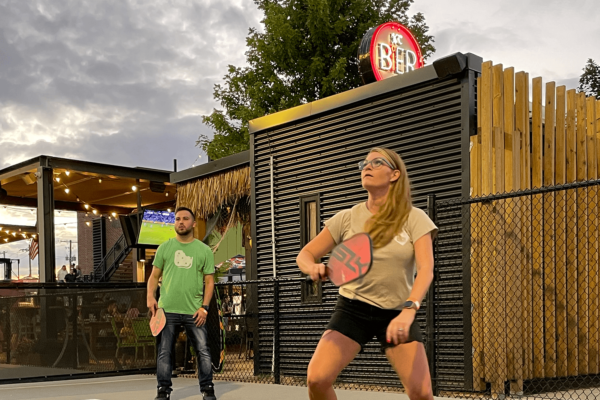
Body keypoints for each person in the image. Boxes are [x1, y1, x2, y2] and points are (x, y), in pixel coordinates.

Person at [296, 147, 438, 400]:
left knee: (422, 393)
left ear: (395, 174)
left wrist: (409, 311)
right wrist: (312, 267)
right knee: (317, 380)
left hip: (397, 311)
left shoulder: (414, 217)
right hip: (353, 309)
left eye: (376, 162)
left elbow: (426, 269)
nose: (366, 167)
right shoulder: (347, 218)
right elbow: (304, 255)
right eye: (364, 163)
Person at [147, 207, 217, 400]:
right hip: (166, 309)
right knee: (164, 352)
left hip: (194, 311)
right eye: (177, 219)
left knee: (203, 351)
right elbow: (153, 277)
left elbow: (210, 281)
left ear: (193, 223)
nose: (181, 222)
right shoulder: (165, 248)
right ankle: (163, 390)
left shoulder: (203, 250)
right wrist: (150, 298)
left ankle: (208, 389)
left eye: (185, 219)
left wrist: (205, 308)